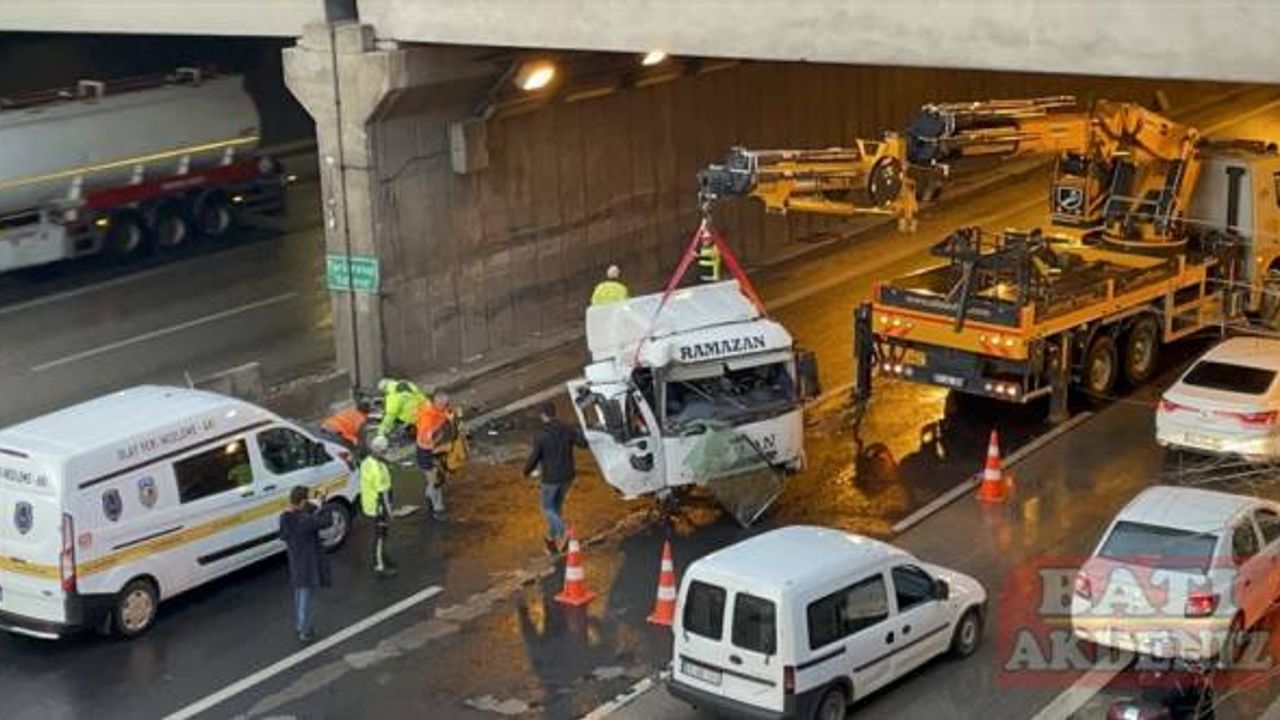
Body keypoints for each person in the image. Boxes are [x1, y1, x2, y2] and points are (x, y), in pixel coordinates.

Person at [523, 401, 587, 555]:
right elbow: (582, 444)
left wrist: (526, 471)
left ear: (543, 415)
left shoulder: (541, 435)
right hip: (568, 476)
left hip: (551, 479)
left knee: (546, 508)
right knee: (556, 507)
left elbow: (535, 457)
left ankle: (565, 531)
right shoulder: (567, 429)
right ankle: (551, 538)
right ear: (555, 413)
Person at [278, 485, 332, 642]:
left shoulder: (285, 517)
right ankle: (305, 630)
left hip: (296, 563)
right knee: (305, 599)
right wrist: (325, 502)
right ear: (301, 501)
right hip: (307, 564)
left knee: (299, 596)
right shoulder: (304, 520)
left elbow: (306, 510)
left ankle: (301, 625)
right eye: (306, 500)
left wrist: (318, 500)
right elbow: (326, 521)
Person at [415, 392, 457, 520]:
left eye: (446, 404)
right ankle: (438, 509)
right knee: (435, 481)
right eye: (442, 405)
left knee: (438, 478)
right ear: (434, 403)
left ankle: (430, 495)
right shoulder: (427, 418)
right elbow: (428, 437)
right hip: (427, 452)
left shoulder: (441, 411)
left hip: (436, 450)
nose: (445, 407)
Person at [360, 436, 397, 577]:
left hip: (369, 505)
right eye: (385, 451)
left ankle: (383, 558)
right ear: (380, 451)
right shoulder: (377, 470)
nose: (387, 453)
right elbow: (383, 495)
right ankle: (379, 566)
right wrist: (390, 512)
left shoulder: (367, 462)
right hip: (378, 508)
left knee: (381, 536)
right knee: (380, 537)